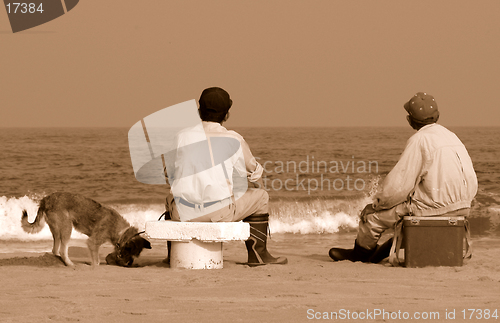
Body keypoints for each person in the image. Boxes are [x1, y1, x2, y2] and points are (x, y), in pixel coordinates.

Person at [329, 92, 478, 263]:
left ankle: (360, 256)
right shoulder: (452, 136)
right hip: (464, 206)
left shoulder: (419, 140)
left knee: (372, 219)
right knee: (410, 209)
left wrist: (377, 205)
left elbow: (398, 186)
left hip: (436, 208)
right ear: (437, 116)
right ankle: (380, 251)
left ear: (410, 120)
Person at [163, 87, 287, 267]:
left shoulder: (181, 137)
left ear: (198, 111)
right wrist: (253, 186)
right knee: (261, 198)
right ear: (227, 115)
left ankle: (171, 255)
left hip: (182, 213)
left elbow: (169, 175)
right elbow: (255, 172)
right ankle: (258, 255)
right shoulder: (233, 139)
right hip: (219, 213)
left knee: (170, 198)